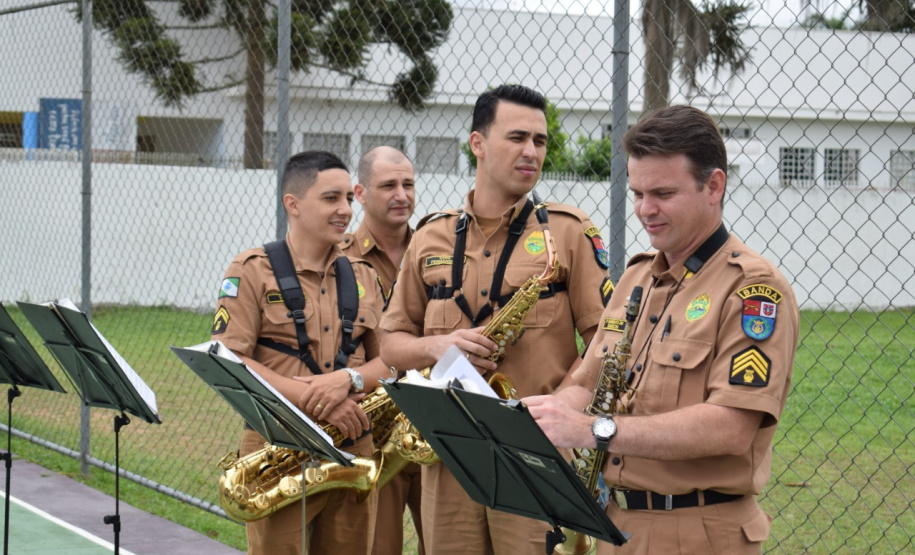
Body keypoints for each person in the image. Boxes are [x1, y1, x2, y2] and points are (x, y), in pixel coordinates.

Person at [525, 105, 800, 554]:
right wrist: (533, 423)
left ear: (714, 186)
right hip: (619, 526)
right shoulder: (636, 278)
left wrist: (591, 430)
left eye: (663, 193)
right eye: (637, 193)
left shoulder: (752, 289)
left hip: (699, 532)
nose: (644, 210)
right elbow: (587, 383)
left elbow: (730, 427)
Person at [379, 84, 614, 555]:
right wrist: (437, 346)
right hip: (450, 456)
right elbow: (390, 342)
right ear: (478, 144)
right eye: (517, 137)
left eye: (540, 141)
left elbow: (606, 343)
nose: (532, 151)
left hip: (537, 454)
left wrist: (565, 409)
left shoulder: (568, 232)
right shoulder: (431, 236)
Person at [211, 151, 390, 555]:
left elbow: (389, 359)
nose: (345, 209)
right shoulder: (251, 270)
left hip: (352, 444)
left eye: (348, 198)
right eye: (331, 198)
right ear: (292, 204)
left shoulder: (364, 274)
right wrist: (319, 401)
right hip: (278, 448)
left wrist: (347, 381)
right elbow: (228, 358)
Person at [340, 146, 425, 555]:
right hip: (375, 433)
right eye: (388, 185)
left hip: (434, 426)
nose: (401, 195)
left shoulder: (438, 249)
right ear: (360, 192)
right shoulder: (338, 260)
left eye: (408, 184)